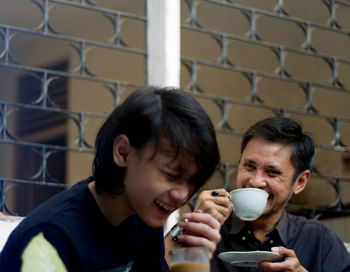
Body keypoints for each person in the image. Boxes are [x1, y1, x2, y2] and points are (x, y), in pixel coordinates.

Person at [0, 87, 221, 272]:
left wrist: (192, 254)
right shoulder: (49, 237)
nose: (182, 194)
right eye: (171, 175)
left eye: (192, 181)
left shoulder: (143, 216)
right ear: (123, 152)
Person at [194, 116, 350, 271]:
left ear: (299, 182)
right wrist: (191, 228)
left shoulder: (319, 240)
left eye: (272, 172)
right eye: (249, 166)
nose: (256, 182)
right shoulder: (209, 230)